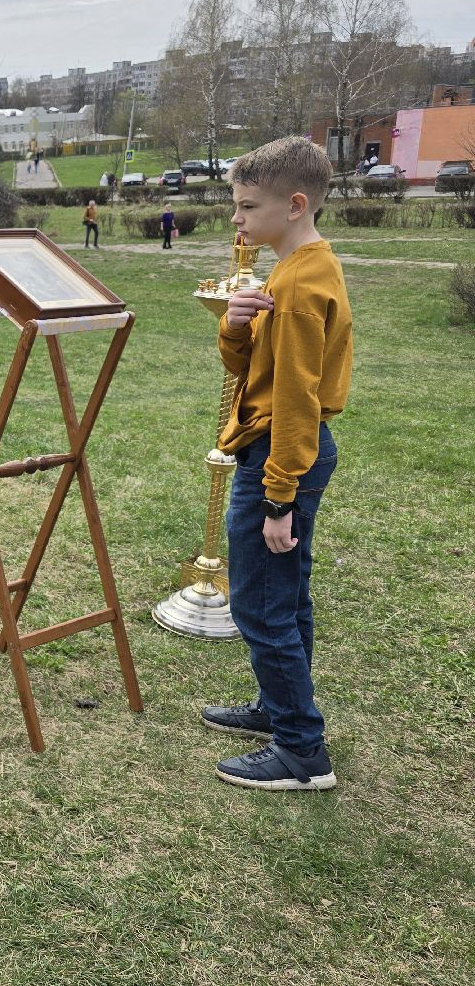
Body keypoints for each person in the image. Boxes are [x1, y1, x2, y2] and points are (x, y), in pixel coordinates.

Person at [203, 136, 352, 791]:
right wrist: (235, 324)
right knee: (285, 599)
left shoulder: (296, 287)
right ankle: (277, 711)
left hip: (280, 455)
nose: (236, 218)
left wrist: (277, 498)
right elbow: (250, 372)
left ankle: (300, 752)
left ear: (294, 205)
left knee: (261, 607)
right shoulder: (298, 270)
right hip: (288, 451)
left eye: (247, 206)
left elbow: (295, 399)